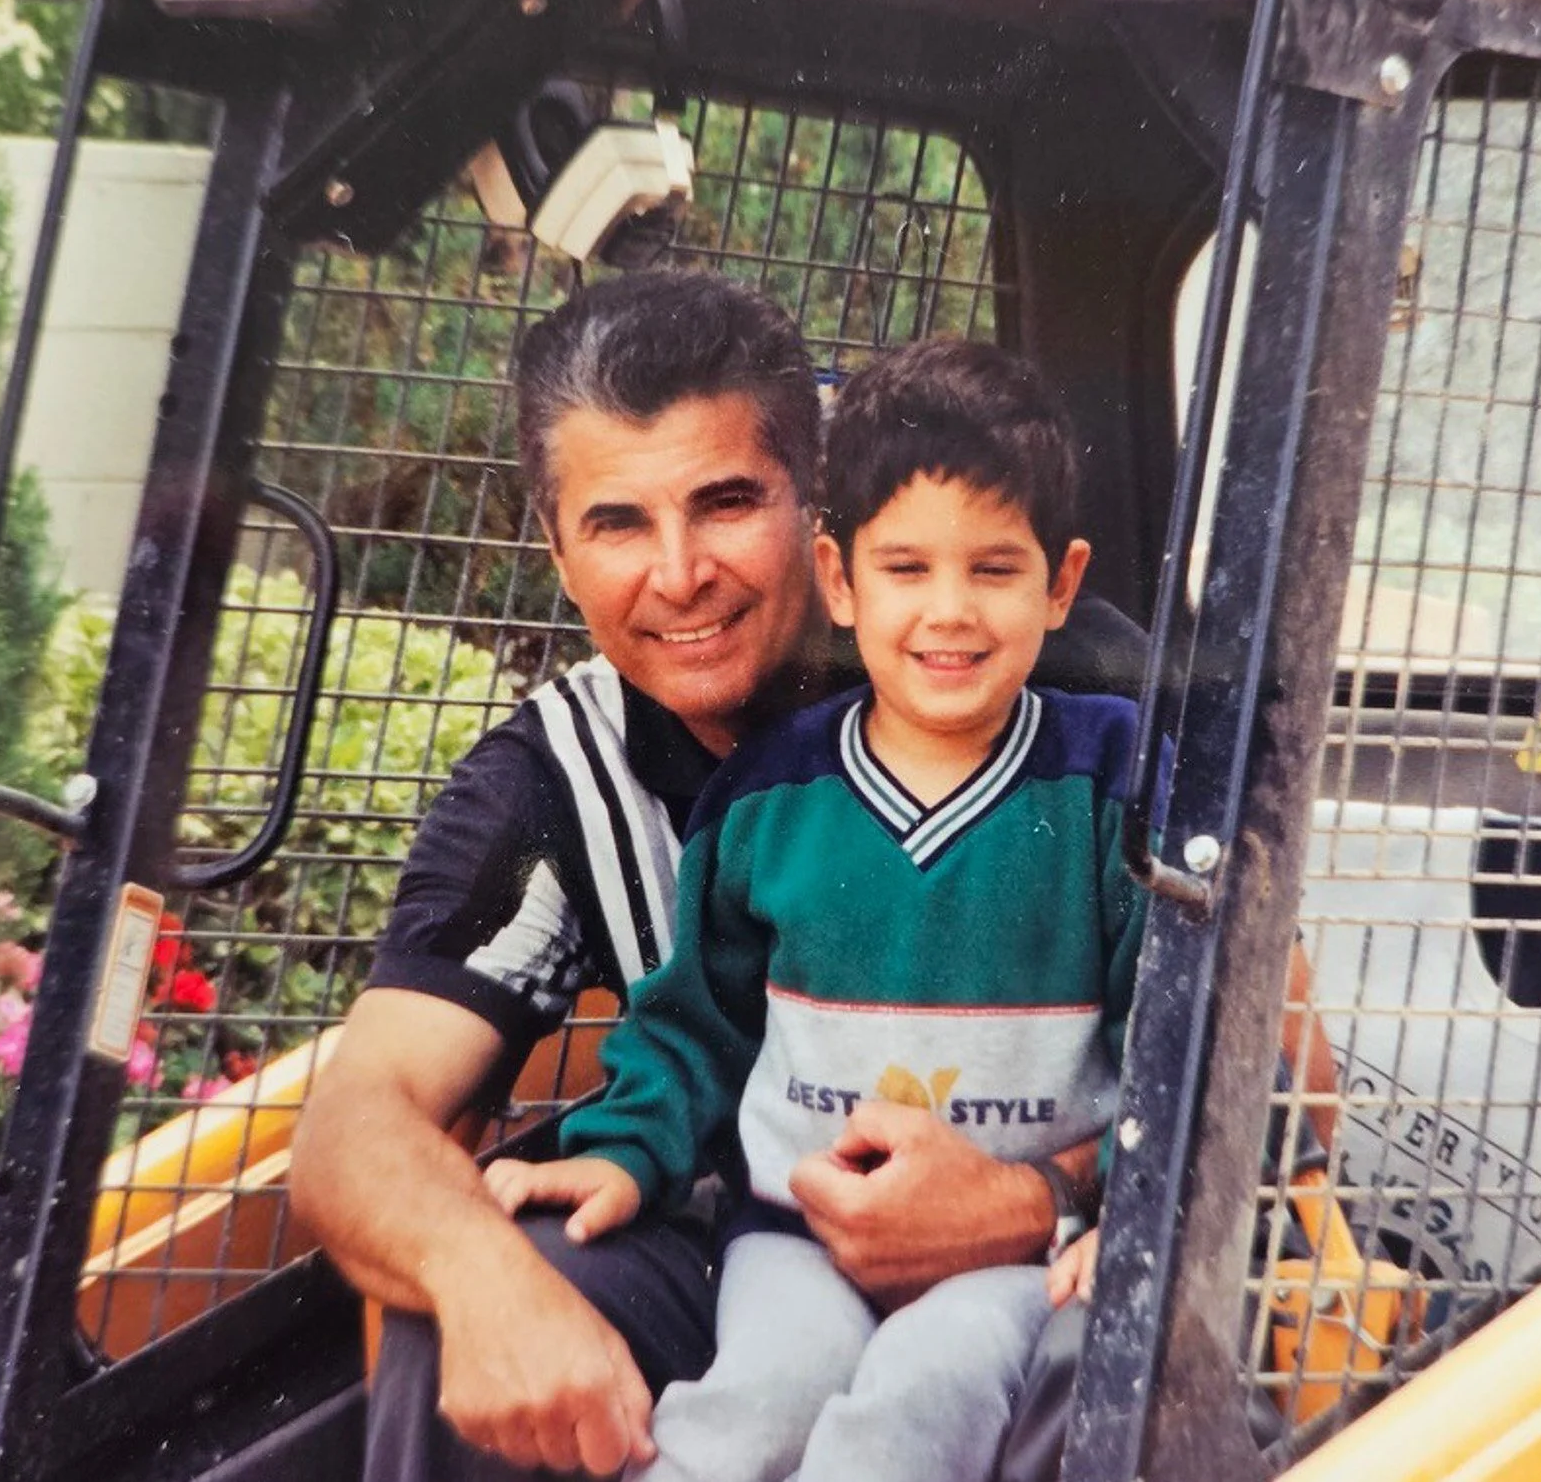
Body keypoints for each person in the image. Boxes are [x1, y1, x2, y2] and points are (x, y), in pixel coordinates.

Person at [288, 272, 1137, 1481]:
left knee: (1097, 1352)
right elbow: (352, 1128)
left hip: (1035, 1254)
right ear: (559, 548)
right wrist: (488, 1285)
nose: (679, 572)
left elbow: (1271, 1062)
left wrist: (1037, 1195)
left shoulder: (1043, 687)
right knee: (476, 1279)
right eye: (618, 522)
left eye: (726, 500)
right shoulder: (554, 778)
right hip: (749, 1253)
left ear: (813, 511)